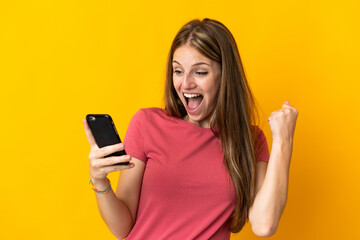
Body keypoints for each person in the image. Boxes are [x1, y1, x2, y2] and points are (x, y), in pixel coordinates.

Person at [83, 18, 298, 239]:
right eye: (178, 71)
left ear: (225, 76)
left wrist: (284, 141)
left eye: (200, 72)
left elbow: (264, 225)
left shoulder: (249, 140)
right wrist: (100, 181)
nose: (185, 84)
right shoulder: (146, 124)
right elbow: (122, 229)